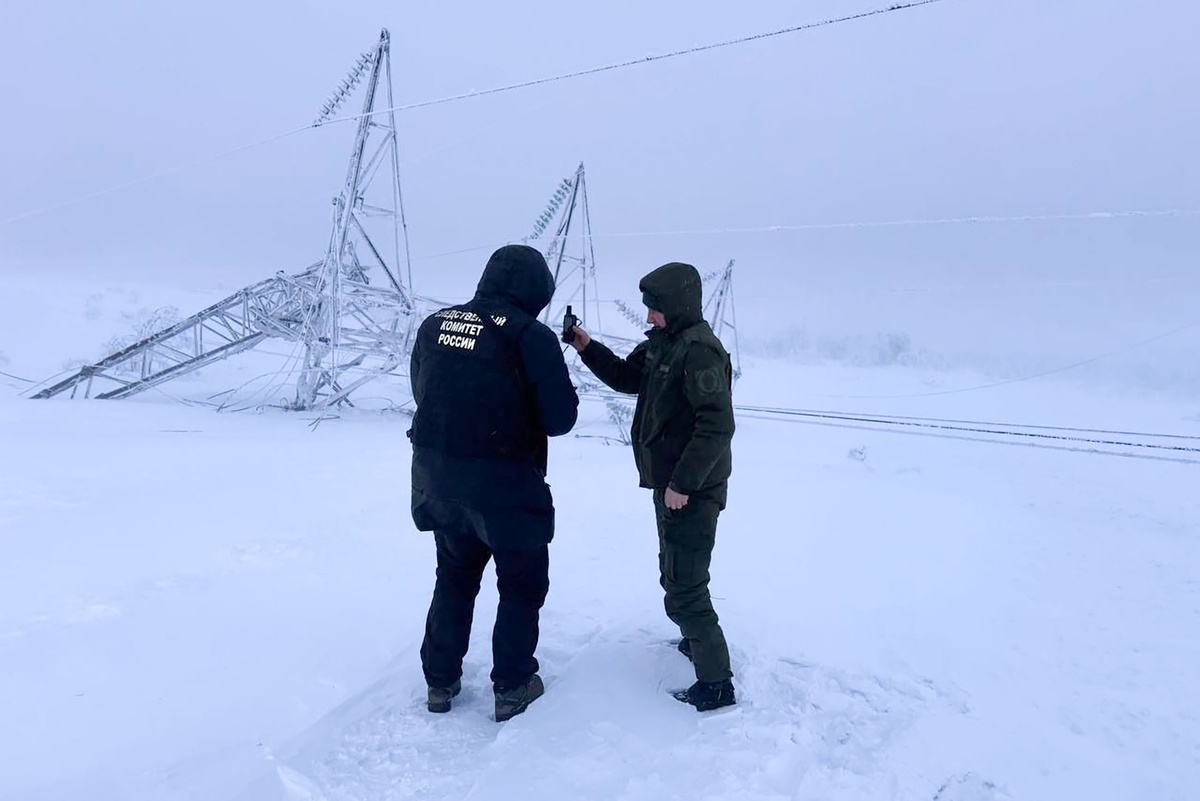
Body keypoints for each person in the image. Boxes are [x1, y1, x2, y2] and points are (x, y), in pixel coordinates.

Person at [407, 244, 579, 722]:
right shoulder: (531, 336)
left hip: (438, 479)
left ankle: (439, 683)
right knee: (522, 585)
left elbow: (423, 390)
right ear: (535, 291)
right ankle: (513, 684)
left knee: (455, 577)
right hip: (505, 487)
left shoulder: (435, 324)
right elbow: (560, 418)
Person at [568, 261, 737, 711]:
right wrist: (586, 346)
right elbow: (627, 377)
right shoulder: (667, 343)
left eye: (655, 309)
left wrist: (683, 483)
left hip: (691, 490)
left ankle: (716, 684)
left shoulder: (700, 350)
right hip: (670, 487)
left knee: (686, 585)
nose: (648, 318)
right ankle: (694, 639)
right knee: (673, 571)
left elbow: (717, 426)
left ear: (677, 305)